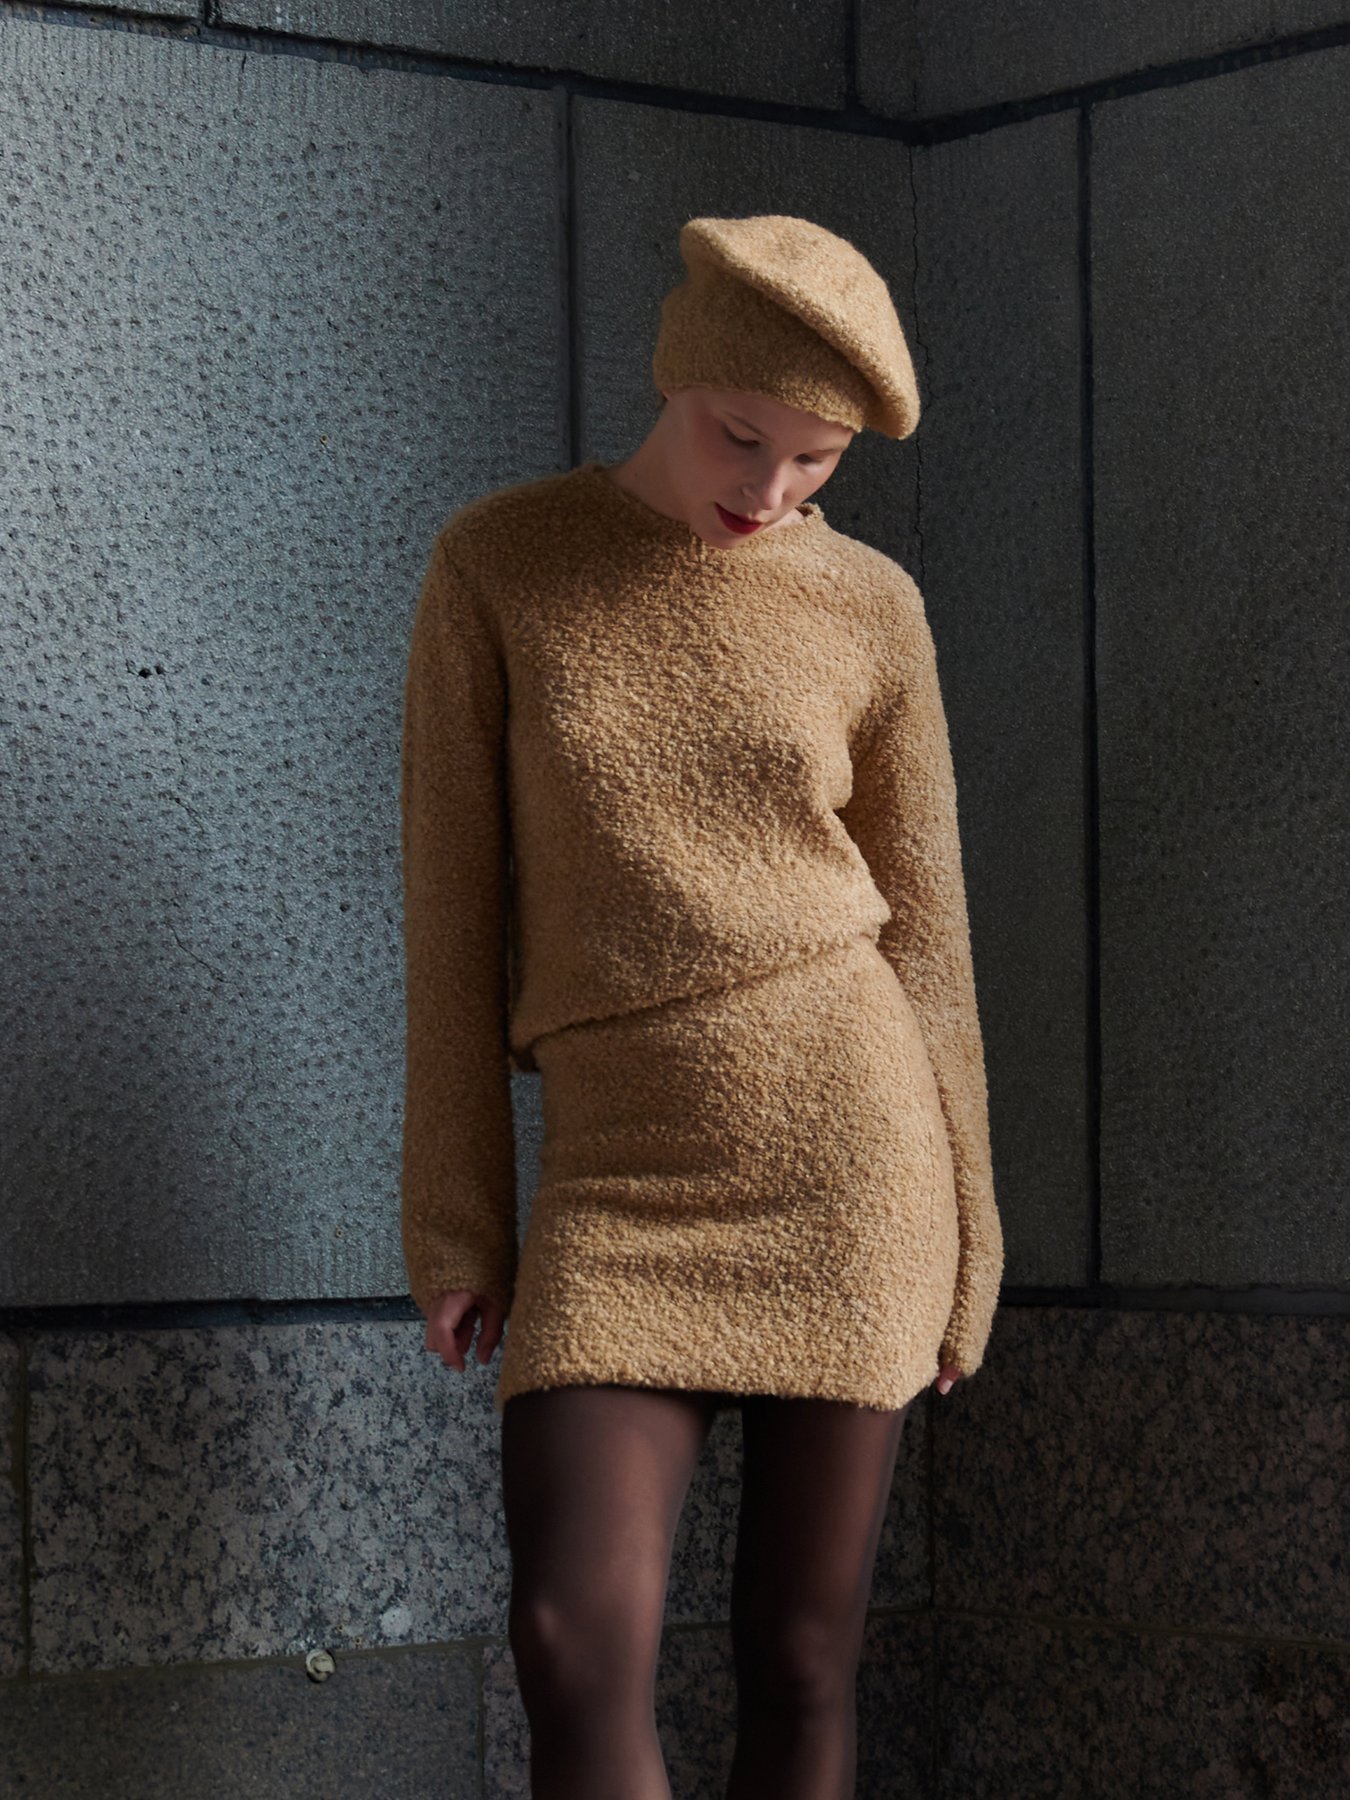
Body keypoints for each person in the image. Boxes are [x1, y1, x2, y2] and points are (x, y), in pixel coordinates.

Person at [399, 214, 1005, 1798]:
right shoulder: (499, 563)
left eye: (815, 460)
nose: (769, 489)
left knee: (800, 1659)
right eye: (742, 436)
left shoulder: (870, 606)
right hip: (620, 1180)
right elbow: (451, 911)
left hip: (850, 1160)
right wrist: (458, 1219)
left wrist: (976, 1241)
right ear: (678, 373)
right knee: (570, 1639)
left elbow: (930, 935)